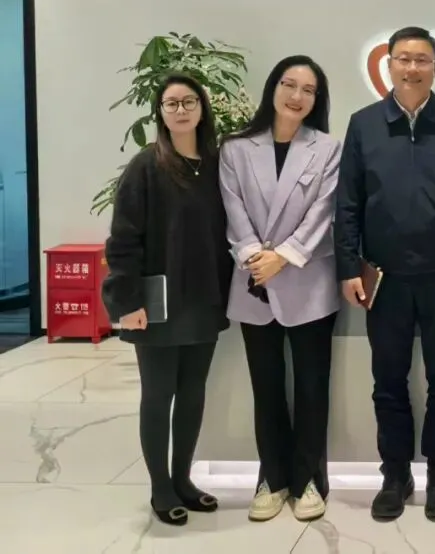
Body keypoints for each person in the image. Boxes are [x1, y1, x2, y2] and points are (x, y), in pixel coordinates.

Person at [335, 26, 435, 523]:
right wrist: (348, 268)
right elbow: (348, 203)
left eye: (422, 60)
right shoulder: (363, 125)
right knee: (388, 381)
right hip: (385, 280)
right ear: (389, 65)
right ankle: (395, 475)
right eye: (403, 59)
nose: (412, 68)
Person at [102, 74, 231, 527]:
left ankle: (184, 480)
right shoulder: (146, 166)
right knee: (158, 395)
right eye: (171, 103)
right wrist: (127, 300)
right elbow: (123, 239)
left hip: (205, 298)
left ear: (202, 108)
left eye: (188, 101)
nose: (180, 110)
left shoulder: (216, 164)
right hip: (156, 302)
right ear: (159, 112)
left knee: (193, 395)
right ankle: (160, 486)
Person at [219, 56, 341, 523]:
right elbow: (232, 210)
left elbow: (324, 212)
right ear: (273, 88)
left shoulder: (327, 148)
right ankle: (271, 478)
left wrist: (284, 256)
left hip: (308, 282)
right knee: (266, 387)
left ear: (317, 100)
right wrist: (256, 256)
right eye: (289, 85)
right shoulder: (236, 148)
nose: (296, 96)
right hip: (254, 282)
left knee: (312, 387)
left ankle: (309, 479)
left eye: (308, 90)